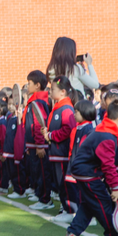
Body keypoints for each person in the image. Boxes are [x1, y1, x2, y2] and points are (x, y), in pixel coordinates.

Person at [64, 98, 118, 236]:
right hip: (88, 173)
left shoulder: (103, 128)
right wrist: (116, 187)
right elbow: (108, 165)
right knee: (104, 204)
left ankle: (73, 232)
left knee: (89, 203)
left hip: (83, 171)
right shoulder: (107, 136)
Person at [44, 76, 77, 223]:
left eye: (52, 89)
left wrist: (50, 135)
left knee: (65, 184)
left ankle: (70, 210)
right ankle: (66, 208)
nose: (50, 92)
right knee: (60, 183)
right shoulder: (58, 107)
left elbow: (68, 129)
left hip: (62, 153)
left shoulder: (66, 108)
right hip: (56, 153)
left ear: (63, 91)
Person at [22, 71, 52, 209]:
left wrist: (40, 145)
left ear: (38, 85)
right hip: (33, 145)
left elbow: (40, 123)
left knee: (42, 171)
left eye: (29, 83)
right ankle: (39, 194)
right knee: (36, 171)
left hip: (39, 145)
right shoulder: (33, 101)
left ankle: (45, 199)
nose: (27, 86)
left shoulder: (38, 102)